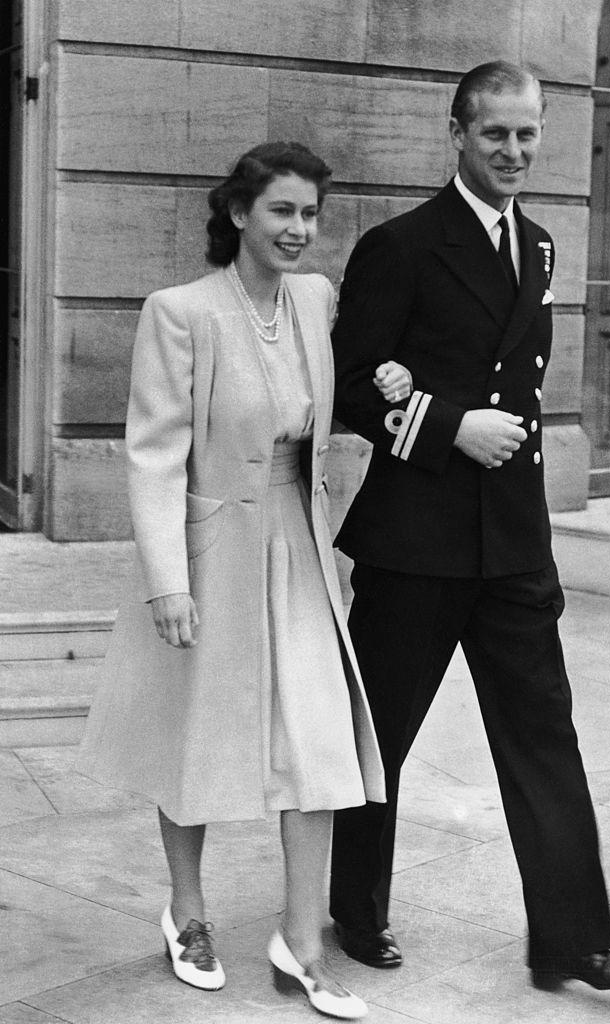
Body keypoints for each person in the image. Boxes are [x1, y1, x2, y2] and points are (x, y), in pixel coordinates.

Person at [328, 62, 610, 992]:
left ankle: (574, 942)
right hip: (416, 547)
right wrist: (445, 426)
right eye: (495, 135)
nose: (513, 152)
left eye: (526, 135)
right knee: (380, 734)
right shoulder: (401, 246)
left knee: (544, 736)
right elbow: (354, 384)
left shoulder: (544, 247)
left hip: (511, 543)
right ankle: (356, 907)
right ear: (458, 134)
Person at [78, 141, 411, 1020]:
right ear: (238, 215)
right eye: (282, 212)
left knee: (317, 743)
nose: (300, 230)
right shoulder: (180, 311)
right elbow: (153, 454)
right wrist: (165, 581)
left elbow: (358, 381)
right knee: (193, 740)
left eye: (310, 214)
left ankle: (300, 943)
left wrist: (396, 377)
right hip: (209, 550)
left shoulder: (316, 298)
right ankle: (186, 914)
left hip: (297, 544)